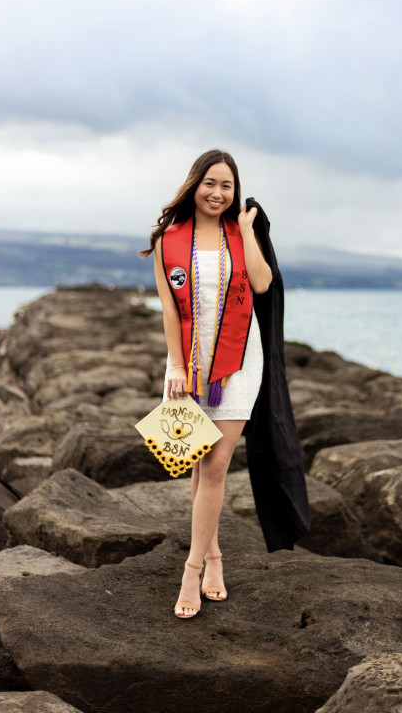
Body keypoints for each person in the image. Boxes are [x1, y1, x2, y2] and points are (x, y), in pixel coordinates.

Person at [140, 148, 272, 619]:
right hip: (189, 366)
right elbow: (170, 312)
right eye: (210, 183)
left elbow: (261, 284)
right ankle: (214, 556)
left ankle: (192, 568)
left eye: (227, 186)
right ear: (195, 184)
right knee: (194, 465)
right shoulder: (167, 241)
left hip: (238, 363)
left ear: (235, 192)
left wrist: (249, 228)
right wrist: (175, 366)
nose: (218, 193)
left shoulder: (241, 233)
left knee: (215, 467)